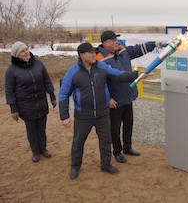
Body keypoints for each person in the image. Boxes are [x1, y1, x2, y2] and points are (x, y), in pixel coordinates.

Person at [58, 42, 147, 180]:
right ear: (82, 56)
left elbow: (118, 75)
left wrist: (136, 74)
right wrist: (64, 116)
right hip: (83, 115)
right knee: (78, 142)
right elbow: (63, 95)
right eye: (91, 53)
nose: (94, 54)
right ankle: (75, 166)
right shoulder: (73, 72)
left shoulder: (101, 67)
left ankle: (106, 165)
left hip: (102, 113)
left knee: (106, 141)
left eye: (94, 52)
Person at [96, 30, 162, 163]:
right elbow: (98, 82)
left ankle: (127, 147)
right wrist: (108, 98)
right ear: (106, 43)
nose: (117, 42)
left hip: (127, 95)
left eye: (117, 39)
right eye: (114, 40)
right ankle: (117, 152)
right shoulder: (98, 58)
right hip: (114, 100)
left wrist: (154, 44)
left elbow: (137, 50)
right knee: (115, 128)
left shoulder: (122, 49)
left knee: (128, 123)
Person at [5, 41, 57, 163]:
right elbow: (9, 90)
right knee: (31, 129)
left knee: (41, 127)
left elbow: (47, 80)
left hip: (41, 101)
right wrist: (13, 109)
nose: (26, 52)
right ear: (16, 54)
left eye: (26, 49)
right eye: (22, 51)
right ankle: (35, 151)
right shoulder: (11, 70)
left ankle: (43, 148)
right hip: (25, 105)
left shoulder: (38, 64)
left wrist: (52, 96)